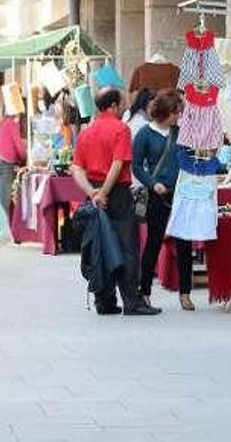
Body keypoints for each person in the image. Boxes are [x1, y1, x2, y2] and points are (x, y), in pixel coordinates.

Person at [70, 87, 154, 316]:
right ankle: (131, 301)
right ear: (114, 106)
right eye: (122, 103)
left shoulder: (87, 132)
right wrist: (104, 193)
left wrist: (92, 192)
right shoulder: (121, 129)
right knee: (127, 246)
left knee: (100, 246)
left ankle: (104, 300)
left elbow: (76, 167)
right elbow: (118, 163)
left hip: (94, 190)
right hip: (116, 193)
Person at [132, 89, 194, 312]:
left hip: (180, 194)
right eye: (176, 112)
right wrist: (152, 183)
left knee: (184, 243)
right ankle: (145, 292)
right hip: (157, 196)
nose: (179, 116)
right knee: (153, 243)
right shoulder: (144, 135)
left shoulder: (180, 133)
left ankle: (185, 292)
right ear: (165, 112)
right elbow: (136, 166)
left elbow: (189, 158)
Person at [0, 107, 26, 213]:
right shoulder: (13, 124)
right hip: (6, 164)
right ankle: (2, 229)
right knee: (4, 202)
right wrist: (24, 156)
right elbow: (18, 146)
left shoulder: (3, 122)